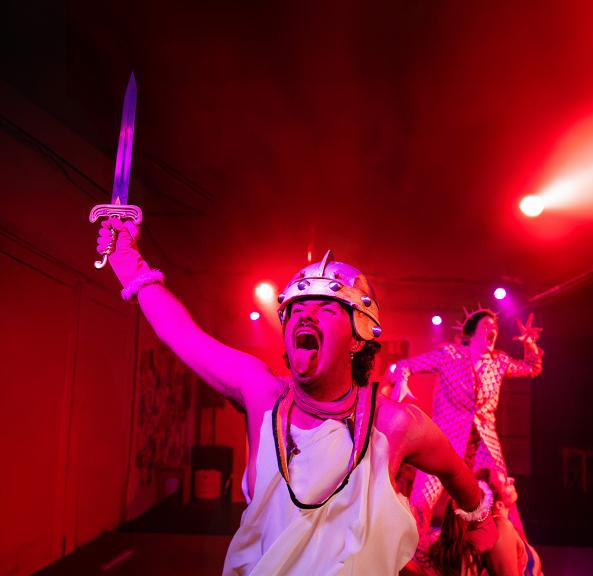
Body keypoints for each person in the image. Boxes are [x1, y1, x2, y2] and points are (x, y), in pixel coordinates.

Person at [96, 216, 497, 575]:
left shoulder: (394, 423)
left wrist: (479, 518)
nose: (306, 313)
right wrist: (129, 262)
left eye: (327, 308)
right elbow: (182, 335)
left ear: (358, 338)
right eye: (297, 307)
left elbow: (458, 475)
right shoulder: (261, 395)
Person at [387, 308, 543, 545]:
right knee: (421, 502)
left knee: (505, 500)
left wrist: (530, 345)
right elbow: (405, 366)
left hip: (484, 444)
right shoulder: (449, 354)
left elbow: (532, 368)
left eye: (495, 328)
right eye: (486, 327)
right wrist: (401, 386)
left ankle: (516, 557)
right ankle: (412, 555)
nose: (492, 331)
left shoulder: (499, 362)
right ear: (471, 334)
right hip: (445, 442)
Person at [425, 468, 544, 575]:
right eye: (506, 483)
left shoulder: (503, 529)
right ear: (499, 504)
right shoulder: (500, 530)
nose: (512, 479)